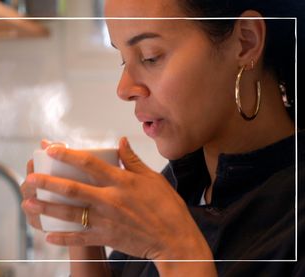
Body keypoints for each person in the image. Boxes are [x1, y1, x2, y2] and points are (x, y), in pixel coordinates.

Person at [20, 0, 305, 276]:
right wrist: (81, 233)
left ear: (246, 41)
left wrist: (177, 250)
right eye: (123, 60)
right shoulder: (175, 189)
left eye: (150, 56)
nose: (124, 89)